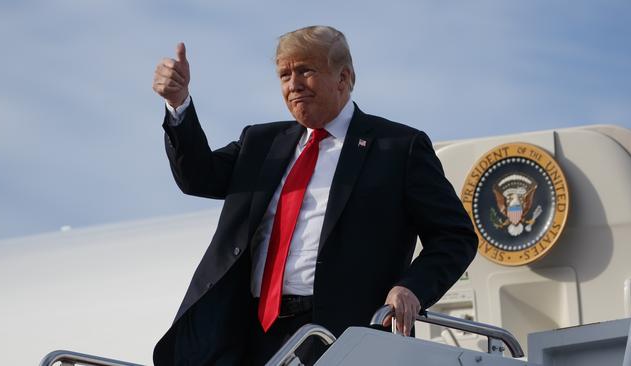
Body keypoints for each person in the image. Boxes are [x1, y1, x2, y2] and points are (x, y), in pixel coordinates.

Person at [151, 25, 477, 366]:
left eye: (306, 70)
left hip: (341, 334)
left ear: (343, 76)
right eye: (284, 74)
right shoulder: (260, 143)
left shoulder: (398, 148)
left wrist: (412, 288)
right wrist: (179, 105)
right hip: (249, 333)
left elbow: (455, 237)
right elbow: (197, 177)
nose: (293, 84)